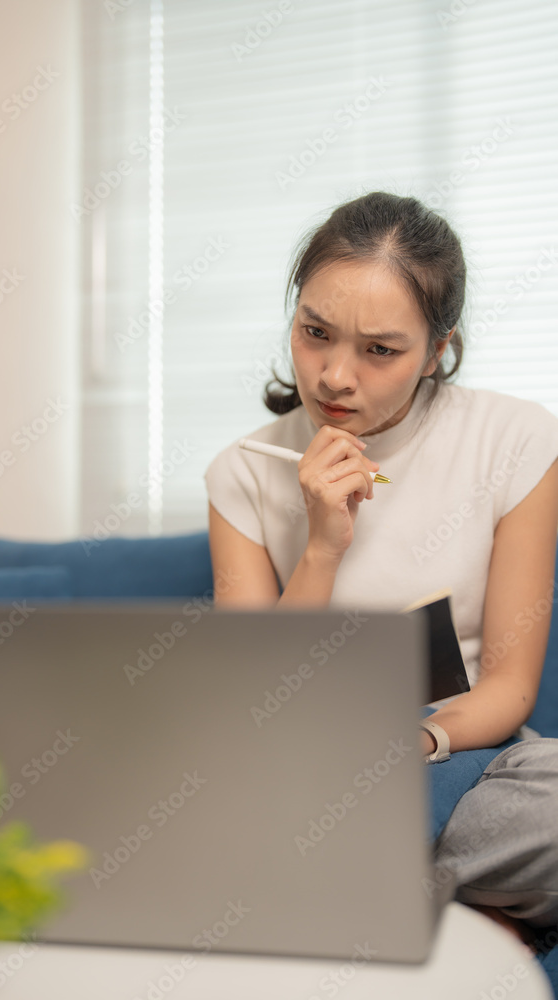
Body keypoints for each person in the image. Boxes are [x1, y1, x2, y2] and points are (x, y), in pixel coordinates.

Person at [203, 191, 558, 953]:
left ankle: (356, 894)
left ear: (436, 350)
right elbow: (254, 706)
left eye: (379, 350)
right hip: (297, 772)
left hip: (457, 756)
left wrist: (414, 744)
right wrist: (323, 546)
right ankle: (460, 913)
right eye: (314, 334)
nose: (334, 376)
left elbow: (508, 687)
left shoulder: (514, 438)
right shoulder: (241, 472)